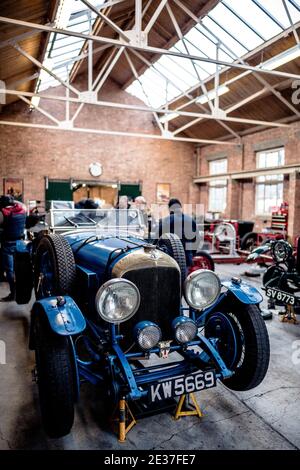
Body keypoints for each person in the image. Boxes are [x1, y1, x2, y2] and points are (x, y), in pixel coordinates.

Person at [156, 198, 198, 267]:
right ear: (180, 207)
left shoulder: (165, 221)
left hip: (169, 261)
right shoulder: (191, 220)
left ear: (169, 209)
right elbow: (196, 241)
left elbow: (156, 241)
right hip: (186, 259)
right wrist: (191, 255)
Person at [0, 195, 26, 301]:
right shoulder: (22, 210)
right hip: (20, 244)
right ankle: (22, 293)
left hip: (8, 245)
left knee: (10, 271)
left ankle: (13, 294)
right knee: (21, 270)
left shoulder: (3, 213)